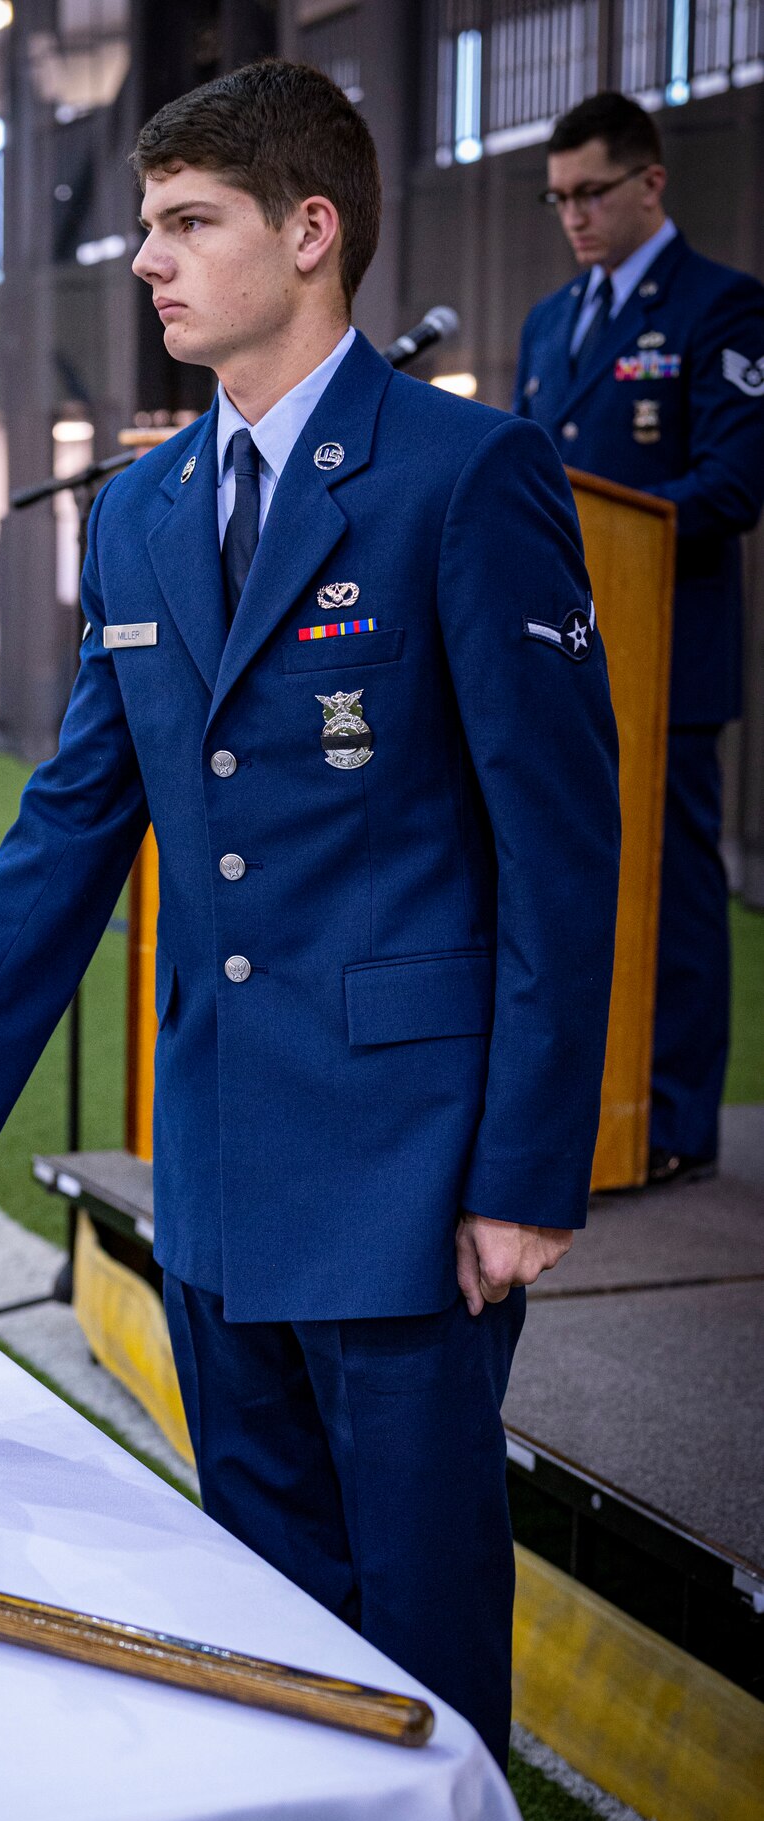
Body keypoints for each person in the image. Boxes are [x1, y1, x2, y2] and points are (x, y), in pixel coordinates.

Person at [0, 59, 621, 1772]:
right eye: (146, 226)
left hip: (411, 1165)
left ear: (311, 231)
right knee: (267, 1625)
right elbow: (73, 824)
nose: (149, 262)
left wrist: (523, 1175)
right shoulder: (141, 511)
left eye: (190, 223)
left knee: (413, 1643)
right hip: (219, 1157)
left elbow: (562, 853)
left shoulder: (461, 477)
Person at [515, 91, 764, 1185]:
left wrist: (595, 524)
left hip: (665, 657)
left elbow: (732, 484)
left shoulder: (721, 309)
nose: (571, 214)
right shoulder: (544, 322)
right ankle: (591, 1111)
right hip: (557, 654)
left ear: (648, 184)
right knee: (560, 878)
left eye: (590, 193)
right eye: (557, 196)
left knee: (670, 896)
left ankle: (671, 1123)